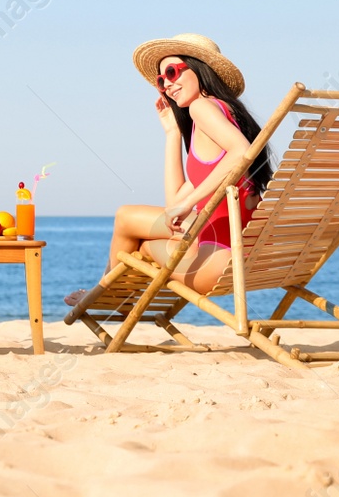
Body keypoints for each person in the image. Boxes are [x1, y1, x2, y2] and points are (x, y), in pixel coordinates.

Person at [64, 33, 275, 305]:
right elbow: (173, 203)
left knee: (139, 245)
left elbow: (241, 152)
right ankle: (108, 296)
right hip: (241, 258)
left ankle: (106, 297)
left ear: (200, 69)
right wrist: (172, 134)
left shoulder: (202, 107)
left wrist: (189, 204)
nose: (168, 85)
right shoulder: (229, 115)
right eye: (162, 80)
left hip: (218, 264)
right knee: (127, 217)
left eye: (173, 72)